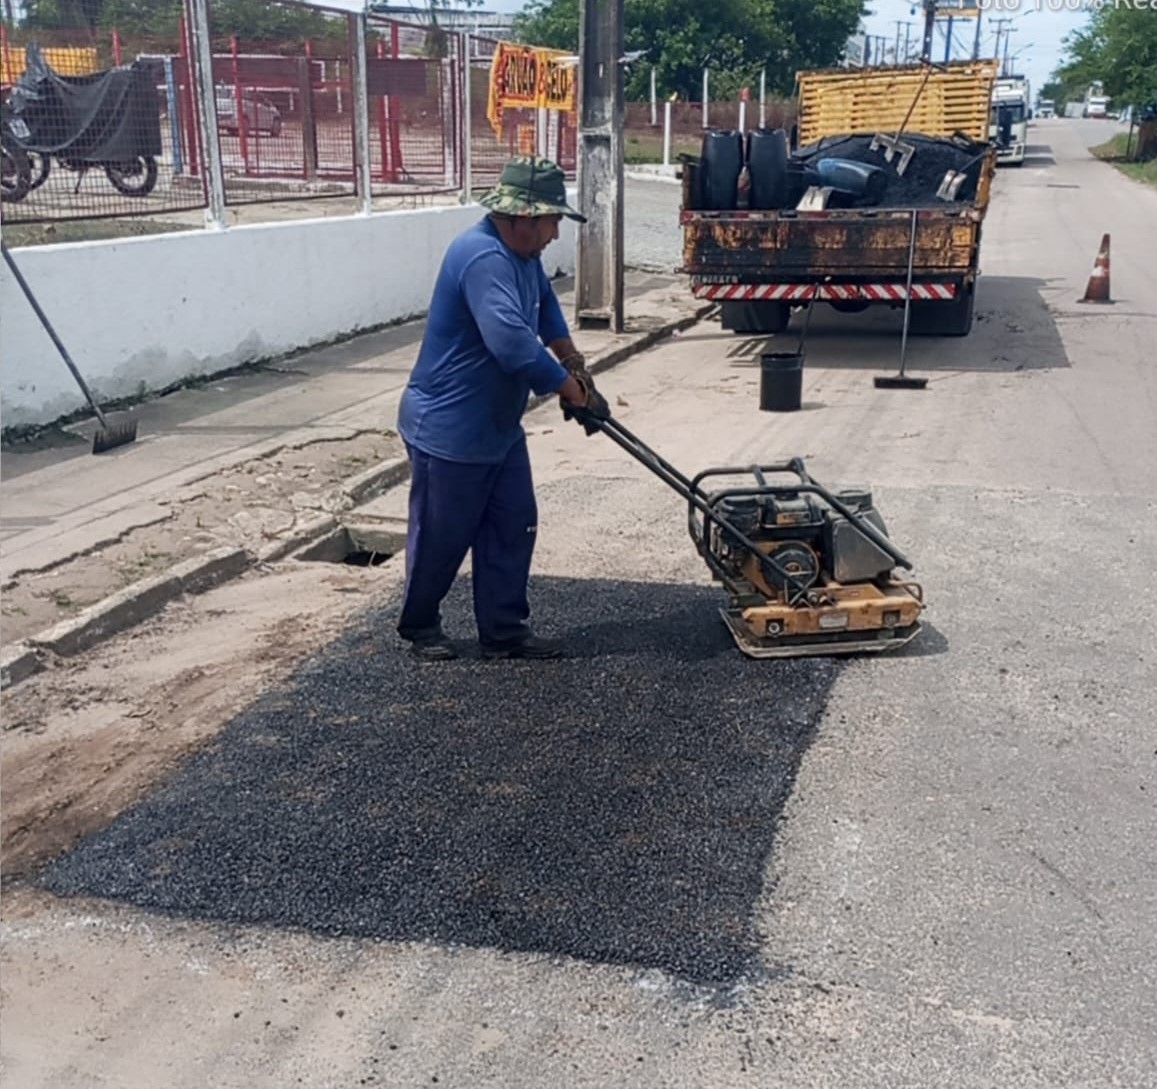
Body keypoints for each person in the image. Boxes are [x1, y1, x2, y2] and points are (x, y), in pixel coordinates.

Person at [394, 155, 610, 662]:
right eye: (552, 220)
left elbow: (545, 311)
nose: (556, 232)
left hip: (496, 423)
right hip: (449, 426)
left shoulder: (525, 257)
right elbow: (512, 343)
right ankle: (420, 624)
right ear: (522, 217)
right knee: (444, 534)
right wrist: (567, 390)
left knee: (514, 522)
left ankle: (504, 630)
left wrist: (575, 364)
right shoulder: (483, 257)